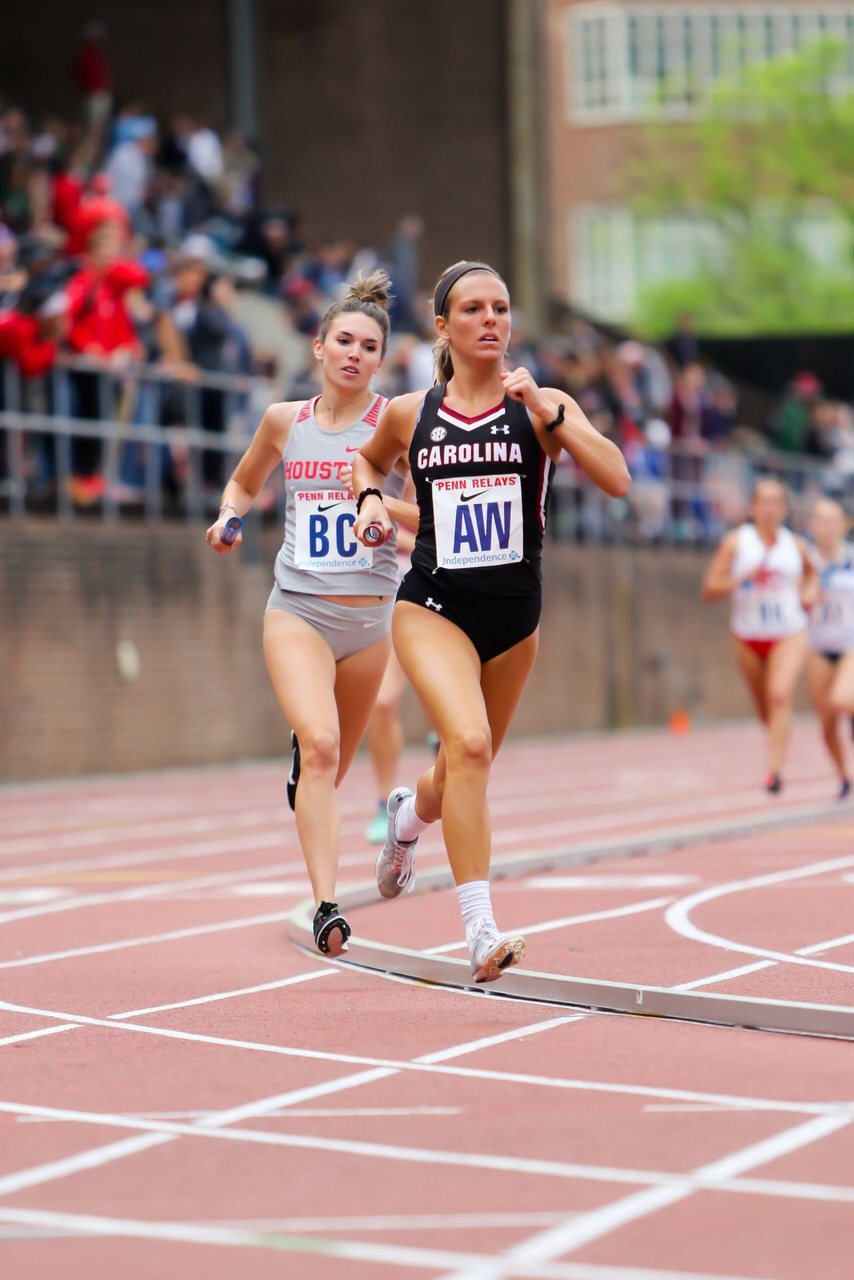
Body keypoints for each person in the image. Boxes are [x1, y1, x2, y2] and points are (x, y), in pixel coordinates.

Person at [351, 260, 630, 983]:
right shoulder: (413, 412)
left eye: (501, 308)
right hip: (434, 605)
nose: (490, 320)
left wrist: (553, 411)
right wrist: (370, 504)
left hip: (515, 620)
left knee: (460, 774)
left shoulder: (542, 407)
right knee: (469, 745)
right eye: (472, 309)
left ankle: (408, 816)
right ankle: (480, 932)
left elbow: (618, 478)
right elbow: (366, 462)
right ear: (443, 326)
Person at [205, 271, 418, 957]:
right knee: (320, 747)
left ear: (381, 361)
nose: (355, 353)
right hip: (296, 609)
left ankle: (317, 777)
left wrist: (385, 513)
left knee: (335, 763)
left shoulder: (397, 424)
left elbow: (433, 517)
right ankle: (328, 905)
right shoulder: (283, 421)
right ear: (319, 346)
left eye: (369, 346)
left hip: (371, 623)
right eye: (344, 341)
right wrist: (230, 514)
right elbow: (244, 480)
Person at [702, 478, 815, 793]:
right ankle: (778, 745)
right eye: (763, 502)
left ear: (784, 509)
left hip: (789, 633)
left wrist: (808, 593)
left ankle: (773, 772)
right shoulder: (736, 543)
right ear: (752, 507)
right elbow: (709, 588)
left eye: (776, 502)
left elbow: (811, 578)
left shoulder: (797, 546)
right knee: (766, 708)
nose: (769, 509)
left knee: (779, 695)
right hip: (748, 636)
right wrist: (739, 578)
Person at [364, 474, 418, 842]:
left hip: (421, 600)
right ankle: (385, 802)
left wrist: (384, 529)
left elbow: (436, 535)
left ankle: (450, 787)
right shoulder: (370, 467)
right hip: (371, 598)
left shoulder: (430, 464)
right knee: (381, 704)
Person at [806, 497, 854, 800]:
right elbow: (802, 601)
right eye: (820, 521)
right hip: (819, 646)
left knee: (842, 699)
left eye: (832, 521)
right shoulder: (806, 560)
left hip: (850, 644)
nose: (826, 527)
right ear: (813, 526)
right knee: (826, 723)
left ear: (843, 525)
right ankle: (844, 777)